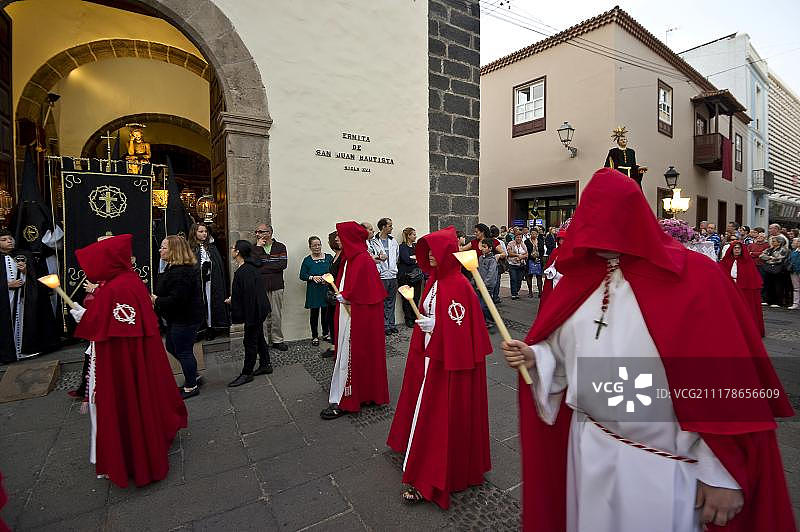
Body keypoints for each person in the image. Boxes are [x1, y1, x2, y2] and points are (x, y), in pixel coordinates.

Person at [503, 168, 794, 532]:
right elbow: (567, 352)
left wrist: (719, 471)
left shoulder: (695, 278)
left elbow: (724, 383)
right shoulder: (579, 280)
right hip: (588, 449)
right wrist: (539, 357)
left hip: (660, 465)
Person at [69, 234, 187, 488]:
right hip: (130, 357)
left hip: (122, 365)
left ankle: (136, 457)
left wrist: (86, 318)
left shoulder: (120, 287)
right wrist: (89, 315)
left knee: (129, 403)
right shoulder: (124, 282)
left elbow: (117, 331)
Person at [387, 226, 493, 508]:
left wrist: (437, 327)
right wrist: (429, 327)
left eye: (434, 251)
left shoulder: (458, 286)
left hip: (448, 364)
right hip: (430, 358)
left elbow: (461, 330)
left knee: (441, 417)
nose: (429, 256)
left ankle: (435, 474)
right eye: (427, 251)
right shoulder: (435, 281)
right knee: (427, 410)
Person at [321, 221, 388, 419]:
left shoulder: (362, 260)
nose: (337, 239)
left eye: (340, 236)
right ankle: (359, 393)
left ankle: (349, 399)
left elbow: (367, 295)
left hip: (356, 318)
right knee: (349, 356)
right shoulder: (350, 259)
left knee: (352, 357)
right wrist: (345, 295)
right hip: (348, 314)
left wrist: (348, 296)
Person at [153, 235, 204, 399]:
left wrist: (156, 300)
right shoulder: (174, 268)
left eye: (164, 247)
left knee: (183, 350)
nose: (161, 250)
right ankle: (194, 375)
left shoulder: (181, 271)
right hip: (179, 318)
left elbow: (178, 299)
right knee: (173, 347)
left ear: (174, 250)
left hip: (185, 318)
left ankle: (191, 386)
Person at [226, 240, 272, 387]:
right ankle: (265, 364)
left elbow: (250, 295)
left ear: (238, 252)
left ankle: (247, 373)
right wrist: (234, 299)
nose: (231, 250)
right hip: (256, 309)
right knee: (258, 338)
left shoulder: (245, 270)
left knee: (250, 341)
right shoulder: (246, 268)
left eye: (233, 248)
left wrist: (236, 304)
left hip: (255, 311)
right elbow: (246, 292)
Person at [188, 222, 230, 340]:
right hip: (197, 284)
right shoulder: (190, 248)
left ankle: (211, 328)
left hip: (211, 283)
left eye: (205, 231)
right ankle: (199, 330)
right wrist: (200, 270)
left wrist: (210, 267)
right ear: (194, 233)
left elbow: (218, 265)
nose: (204, 234)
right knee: (199, 305)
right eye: (201, 232)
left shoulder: (211, 247)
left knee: (211, 304)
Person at [252, 224, 288, 351]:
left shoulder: (280, 247)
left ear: (269, 232)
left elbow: (282, 264)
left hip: (276, 285)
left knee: (276, 314)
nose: (258, 234)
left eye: (260, 231)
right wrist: (258, 248)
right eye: (256, 231)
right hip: (261, 286)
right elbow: (254, 265)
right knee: (262, 316)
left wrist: (263, 267)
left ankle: (277, 340)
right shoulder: (254, 247)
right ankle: (264, 342)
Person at [720, 241, 765, 336]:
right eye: (735, 248)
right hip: (730, 286)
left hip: (743, 288)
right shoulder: (726, 260)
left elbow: (752, 278)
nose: (736, 250)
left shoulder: (747, 262)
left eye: (738, 248)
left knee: (745, 308)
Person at [299, 236, 333, 345]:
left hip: (326, 290)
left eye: (319, 244)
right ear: (310, 247)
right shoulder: (307, 260)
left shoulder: (328, 257)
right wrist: (312, 277)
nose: (317, 247)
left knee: (326, 313)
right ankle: (314, 336)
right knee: (314, 314)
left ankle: (326, 333)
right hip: (314, 291)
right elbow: (302, 275)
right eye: (314, 245)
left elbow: (334, 271)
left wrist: (327, 278)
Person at [375, 218, 400, 335]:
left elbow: (396, 256)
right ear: (383, 227)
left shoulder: (393, 241)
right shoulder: (374, 241)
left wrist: (394, 269)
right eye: (390, 225)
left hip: (392, 275)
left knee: (391, 301)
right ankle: (384, 325)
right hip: (381, 276)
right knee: (382, 302)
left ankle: (391, 324)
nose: (392, 228)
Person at [398, 227, 423, 329]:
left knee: (416, 298)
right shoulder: (402, 247)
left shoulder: (415, 246)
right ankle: (408, 319)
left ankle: (414, 317)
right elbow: (406, 259)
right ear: (408, 236)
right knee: (406, 299)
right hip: (406, 276)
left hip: (416, 276)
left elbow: (421, 257)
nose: (415, 236)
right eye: (413, 234)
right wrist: (414, 259)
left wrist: (414, 258)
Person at [322, 231, 342, 358]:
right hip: (331, 294)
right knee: (330, 319)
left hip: (338, 294)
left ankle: (337, 346)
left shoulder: (343, 256)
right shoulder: (335, 256)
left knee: (336, 320)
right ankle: (334, 344)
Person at [760, 236, 789, 308]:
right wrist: (771, 257)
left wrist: (769, 258)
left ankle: (778, 301)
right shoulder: (770, 249)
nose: (772, 242)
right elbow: (761, 255)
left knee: (778, 285)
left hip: (778, 270)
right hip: (769, 268)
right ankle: (769, 300)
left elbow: (779, 258)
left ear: (779, 242)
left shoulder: (784, 249)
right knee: (769, 285)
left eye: (774, 241)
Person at [477, 239, 498, 328]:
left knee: (484, 305)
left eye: (485, 247)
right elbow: (477, 270)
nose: (482, 249)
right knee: (480, 304)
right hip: (479, 285)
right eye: (482, 246)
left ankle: (492, 319)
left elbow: (491, 274)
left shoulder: (492, 260)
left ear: (490, 248)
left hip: (487, 286)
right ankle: (485, 320)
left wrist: (484, 284)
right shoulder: (481, 258)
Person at [748, 232, 770, 302]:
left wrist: (753, 253)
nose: (759, 238)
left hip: (762, 265)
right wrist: (758, 253)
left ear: (765, 238)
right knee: (753, 281)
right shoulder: (751, 245)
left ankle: (762, 297)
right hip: (752, 265)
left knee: (762, 281)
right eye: (758, 236)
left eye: (761, 237)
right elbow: (748, 253)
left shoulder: (767, 245)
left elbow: (764, 254)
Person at [507, 231, 528, 300]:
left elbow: (526, 254)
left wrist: (521, 257)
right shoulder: (511, 243)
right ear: (515, 237)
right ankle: (514, 294)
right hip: (512, 264)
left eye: (520, 237)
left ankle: (516, 290)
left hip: (521, 265)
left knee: (519, 279)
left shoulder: (523, 244)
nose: (519, 238)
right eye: (517, 237)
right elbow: (509, 253)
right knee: (513, 279)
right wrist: (517, 255)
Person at [525, 227, 544, 298]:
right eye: (532, 233)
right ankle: (530, 291)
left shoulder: (540, 241)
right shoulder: (527, 241)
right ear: (530, 234)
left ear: (537, 234)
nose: (534, 235)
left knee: (539, 277)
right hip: (530, 260)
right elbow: (526, 251)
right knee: (529, 276)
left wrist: (538, 257)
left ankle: (540, 292)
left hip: (539, 260)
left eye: (535, 234)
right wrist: (532, 257)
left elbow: (542, 251)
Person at [788, 238, 800, 310]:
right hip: (794, 271)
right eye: (797, 241)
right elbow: (790, 260)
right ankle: (796, 303)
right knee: (796, 288)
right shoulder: (794, 251)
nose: (798, 243)